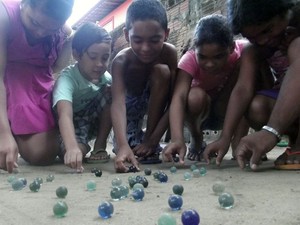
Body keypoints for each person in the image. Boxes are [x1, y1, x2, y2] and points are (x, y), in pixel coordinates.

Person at [204, 0, 300, 170]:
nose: (262, 40)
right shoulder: (256, 49)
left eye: (268, 30)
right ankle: (294, 139)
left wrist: (271, 131)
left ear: (286, 13)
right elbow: (243, 89)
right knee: (257, 107)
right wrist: (225, 137)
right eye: (253, 37)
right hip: (289, 101)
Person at [0, 0, 74, 173]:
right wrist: (4, 134)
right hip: (7, 78)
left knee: (43, 154)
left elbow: (56, 68)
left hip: (38, 83)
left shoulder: (63, 30)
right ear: (24, 3)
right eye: (34, 22)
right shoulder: (4, 16)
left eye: (50, 30)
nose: (40, 33)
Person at [163, 14, 248, 164]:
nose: (209, 64)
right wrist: (177, 139)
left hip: (228, 110)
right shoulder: (189, 60)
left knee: (247, 79)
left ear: (231, 48)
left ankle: (239, 142)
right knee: (194, 97)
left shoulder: (243, 51)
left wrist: (227, 138)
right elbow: (179, 97)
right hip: (201, 114)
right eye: (202, 57)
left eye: (218, 57)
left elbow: (245, 93)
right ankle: (196, 139)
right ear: (195, 50)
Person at [111, 0, 177, 173]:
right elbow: (117, 103)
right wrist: (122, 144)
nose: (146, 48)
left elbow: (175, 100)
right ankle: (132, 140)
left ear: (166, 34)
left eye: (155, 40)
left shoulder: (170, 54)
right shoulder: (120, 61)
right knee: (129, 149)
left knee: (162, 71)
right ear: (126, 35)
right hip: (129, 110)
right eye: (137, 40)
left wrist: (152, 140)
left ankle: (148, 137)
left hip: (155, 104)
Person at [53, 22, 112, 172]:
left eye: (105, 58)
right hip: (68, 124)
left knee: (112, 93)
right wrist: (72, 147)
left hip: (90, 120)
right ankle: (78, 145)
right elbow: (64, 115)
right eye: (93, 57)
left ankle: (99, 146)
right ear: (77, 54)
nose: (100, 64)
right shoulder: (67, 79)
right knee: (75, 152)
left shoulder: (106, 79)